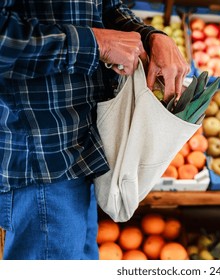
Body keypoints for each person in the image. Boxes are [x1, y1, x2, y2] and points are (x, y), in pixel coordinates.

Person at [0, 0, 189, 260]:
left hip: (87, 148)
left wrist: (151, 37)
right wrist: (98, 44)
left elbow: (107, 8)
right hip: (43, 158)